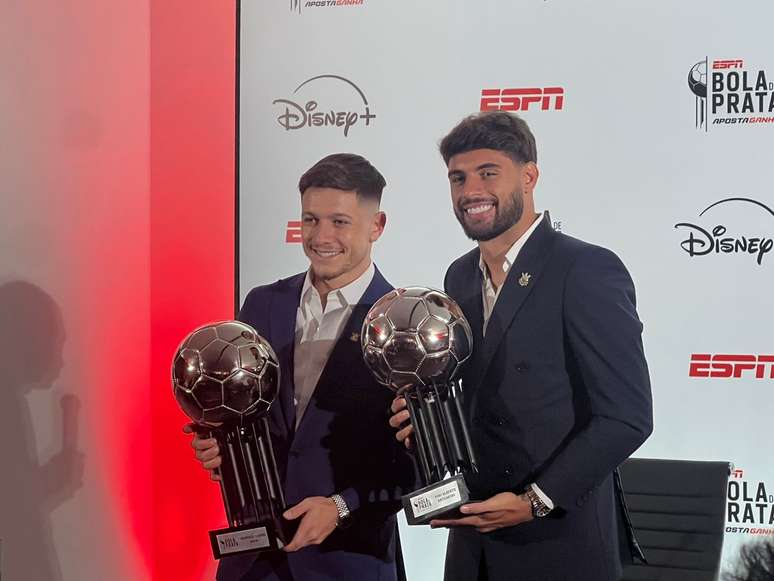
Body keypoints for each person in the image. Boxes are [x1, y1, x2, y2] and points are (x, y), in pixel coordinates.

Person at [390, 111, 653, 581]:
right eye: (458, 177)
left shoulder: (585, 269)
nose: (471, 190)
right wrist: (426, 421)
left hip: (558, 544)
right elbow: (472, 397)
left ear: (529, 176)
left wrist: (534, 501)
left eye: (488, 173)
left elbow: (626, 417)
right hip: (473, 543)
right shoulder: (458, 276)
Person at [188, 153, 416, 581]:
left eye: (339, 222)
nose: (321, 236)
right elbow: (242, 418)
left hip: (350, 561)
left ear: (377, 225)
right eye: (310, 220)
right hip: (254, 562)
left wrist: (342, 506)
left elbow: (416, 459)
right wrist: (217, 450)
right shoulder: (262, 303)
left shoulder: (403, 323)